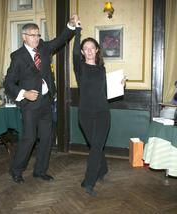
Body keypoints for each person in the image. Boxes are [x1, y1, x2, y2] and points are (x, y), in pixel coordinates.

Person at [4, 16, 77, 184]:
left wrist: (70, 26)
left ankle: (40, 171)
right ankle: (16, 170)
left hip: (46, 101)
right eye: (32, 35)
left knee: (47, 138)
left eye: (38, 35)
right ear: (24, 37)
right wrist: (23, 93)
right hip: (29, 104)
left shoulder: (43, 48)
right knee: (29, 138)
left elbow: (60, 40)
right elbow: (8, 83)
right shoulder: (17, 56)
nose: (36, 38)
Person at [72, 15, 110, 196]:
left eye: (91, 48)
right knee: (96, 145)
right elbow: (73, 53)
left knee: (95, 146)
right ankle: (103, 169)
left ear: (96, 50)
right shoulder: (79, 68)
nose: (88, 51)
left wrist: (121, 84)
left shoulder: (102, 69)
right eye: (85, 49)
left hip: (103, 113)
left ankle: (89, 182)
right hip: (85, 114)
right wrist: (77, 31)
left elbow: (107, 92)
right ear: (82, 52)